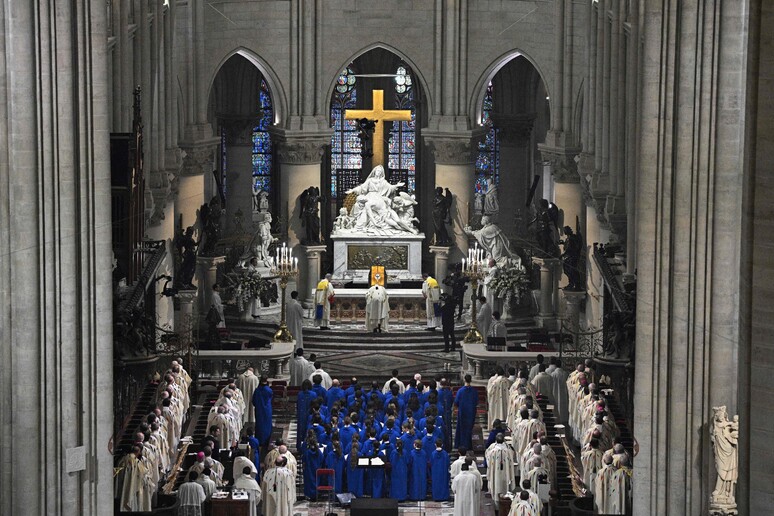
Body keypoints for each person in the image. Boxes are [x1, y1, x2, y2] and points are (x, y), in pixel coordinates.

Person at [484, 433, 515, 504]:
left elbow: (487, 458)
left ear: (496, 440)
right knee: (505, 488)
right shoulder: (508, 450)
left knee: (496, 486)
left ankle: (496, 504)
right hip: (505, 472)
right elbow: (512, 457)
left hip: (495, 473)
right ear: (504, 440)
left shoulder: (492, 451)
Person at [453, 375, 478, 449]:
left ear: (464, 380)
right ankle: (469, 445)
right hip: (471, 412)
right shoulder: (474, 391)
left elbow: (456, 402)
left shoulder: (460, 391)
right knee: (469, 428)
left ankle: (461, 444)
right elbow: (476, 402)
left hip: (462, 412)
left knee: (462, 428)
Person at [252, 377, 273, 446]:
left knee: (259, 424)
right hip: (267, 410)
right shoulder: (269, 390)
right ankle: (267, 440)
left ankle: (260, 439)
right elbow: (271, 398)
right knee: (267, 424)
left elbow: (253, 401)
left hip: (259, 410)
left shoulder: (257, 390)